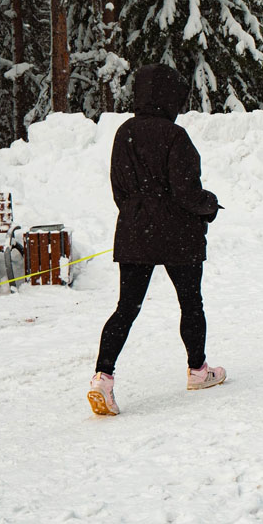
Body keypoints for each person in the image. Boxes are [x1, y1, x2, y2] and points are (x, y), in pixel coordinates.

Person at [87, 64, 224, 416]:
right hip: (179, 235)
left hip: (136, 230)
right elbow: (186, 191)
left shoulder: (124, 133)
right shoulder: (175, 136)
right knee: (190, 303)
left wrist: (138, 213)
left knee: (126, 308)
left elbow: (119, 189)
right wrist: (209, 205)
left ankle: (103, 378)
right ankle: (198, 370)